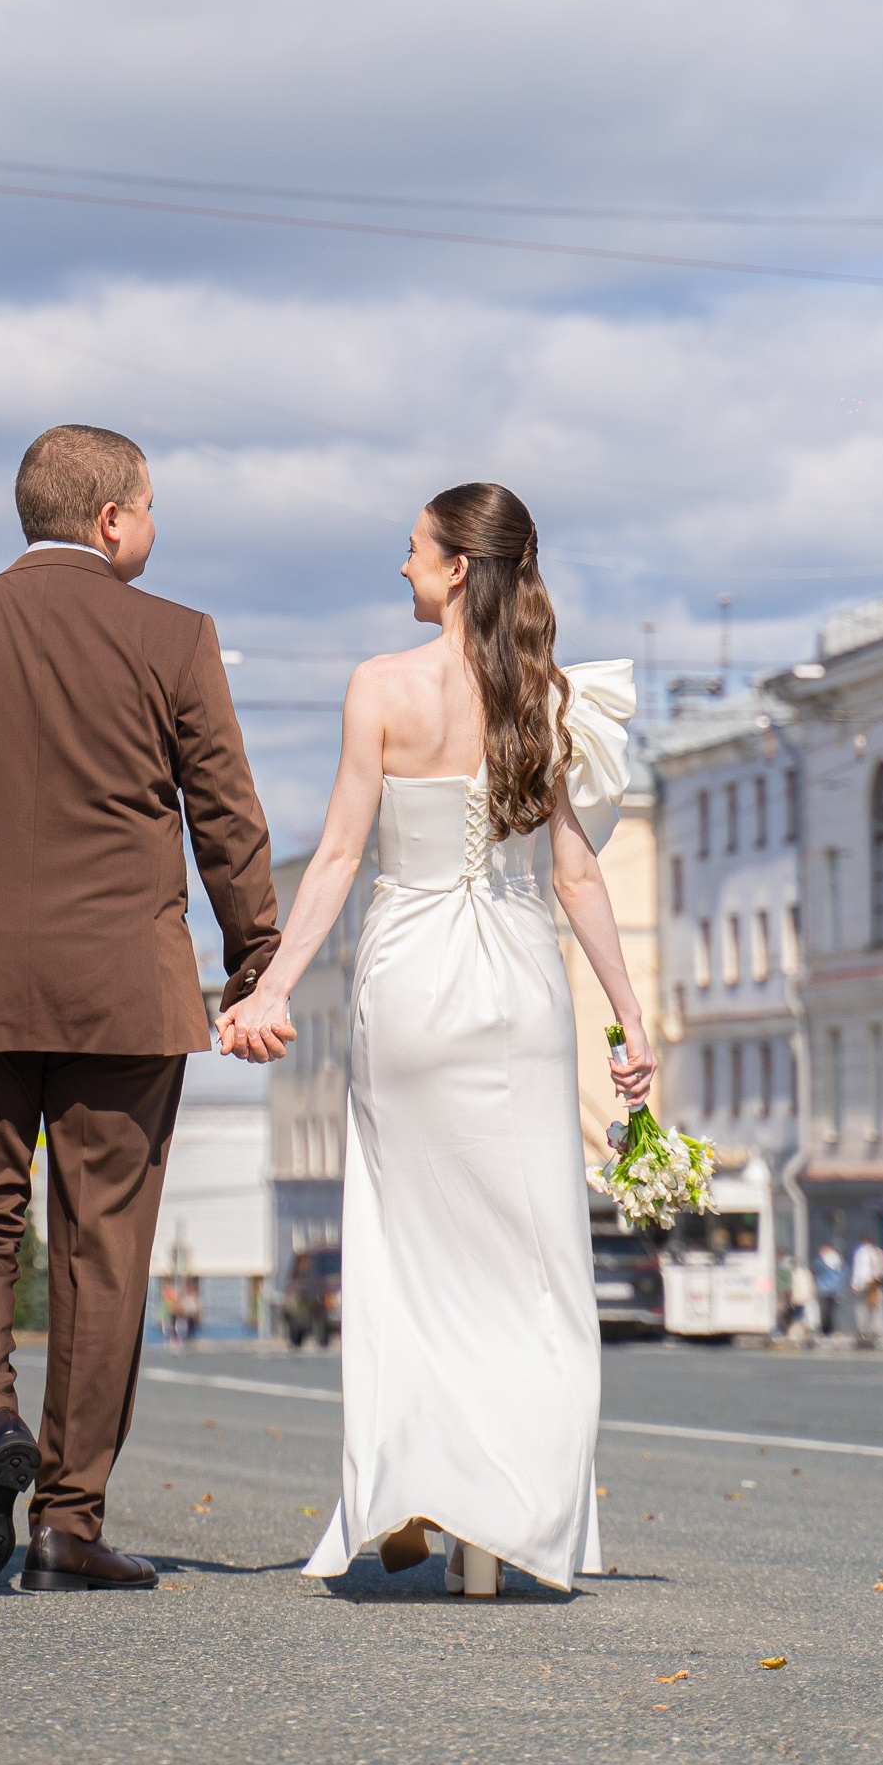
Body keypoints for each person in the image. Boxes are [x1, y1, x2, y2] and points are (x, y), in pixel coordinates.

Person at [221, 483, 655, 1598]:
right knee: (530, 1263)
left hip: (409, 986)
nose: (401, 567)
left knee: (411, 1262)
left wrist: (269, 990)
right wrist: (629, 1019)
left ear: (458, 565)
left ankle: (417, 1481)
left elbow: (331, 863)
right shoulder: (547, 698)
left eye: (413, 551)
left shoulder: (378, 687)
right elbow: (574, 875)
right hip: (519, 991)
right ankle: (502, 1527)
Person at [0, 425, 279, 1594]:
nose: (154, 526)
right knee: (106, 1248)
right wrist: (254, 956)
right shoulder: (175, 636)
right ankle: (66, 1519)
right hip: (124, 996)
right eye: (149, 507)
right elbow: (226, 817)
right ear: (110, 521)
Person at [851, 1234, 883, 1342]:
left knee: (861, 1307)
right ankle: (878, 1330)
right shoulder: (879, 1252)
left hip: (864, 1283)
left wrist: (854, 1285)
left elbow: (858, 1270)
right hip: (876, 1283)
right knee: (877, 1306)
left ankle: (863, 1330)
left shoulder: (861, 1252)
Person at [814, 1244, 846, 1337]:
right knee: (830, 1311)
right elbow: (842, 1275)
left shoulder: (822, 1261)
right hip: (834, 1289)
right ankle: (829, 1329)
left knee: (825, 1310)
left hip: (825, 1288)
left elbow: (818, 1268)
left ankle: (826, 1329)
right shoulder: (838, 1261)